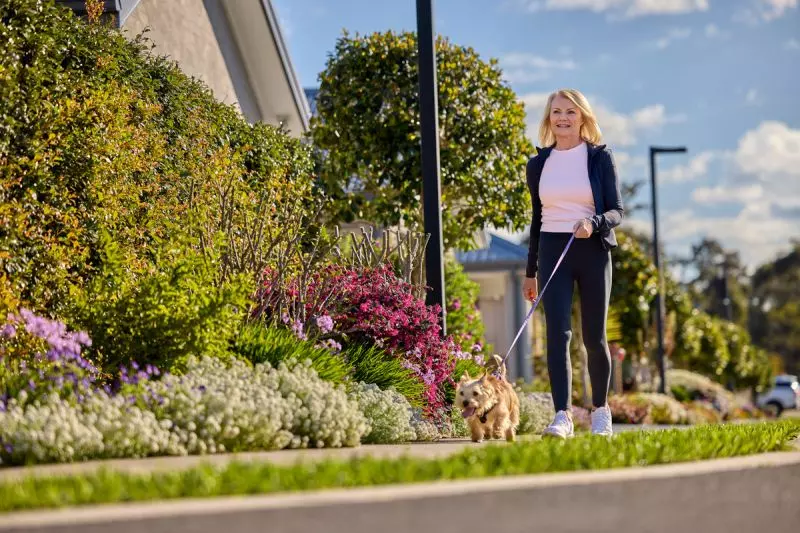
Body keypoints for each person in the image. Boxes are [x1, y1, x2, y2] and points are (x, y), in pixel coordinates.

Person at [523, 88, 624, 438]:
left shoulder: (599, 157)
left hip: (592, 250)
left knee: (594, 337)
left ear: (582, 117)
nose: (562, 118)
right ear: (548, 119)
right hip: (553, 251)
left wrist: (593, 223)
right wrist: (530, 271)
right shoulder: (538, 164)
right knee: (558, 335)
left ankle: (600, 412)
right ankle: (562, 416)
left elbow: (617, 211)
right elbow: (536, 220)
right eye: (556, 112)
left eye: (570, 111)